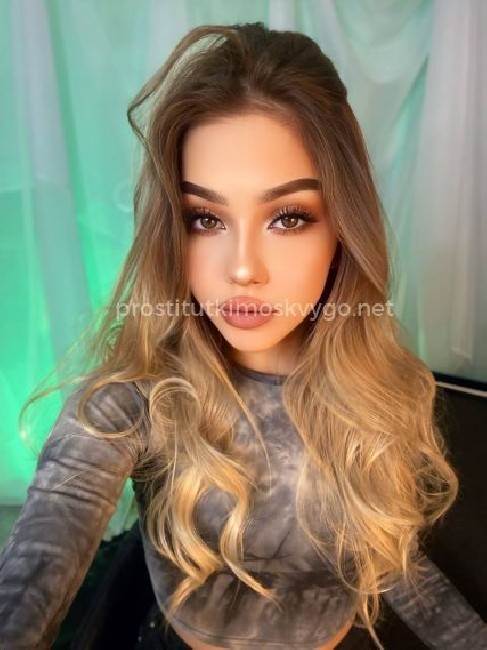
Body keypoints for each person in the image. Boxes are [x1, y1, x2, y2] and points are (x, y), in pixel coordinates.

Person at [0, 21, 486, 650]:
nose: (242, 269)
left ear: (342, 227)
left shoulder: (378, 389)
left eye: (288, 217)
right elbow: (37, 566)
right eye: (204, 218)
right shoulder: (135, 401)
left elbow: (390, 555)